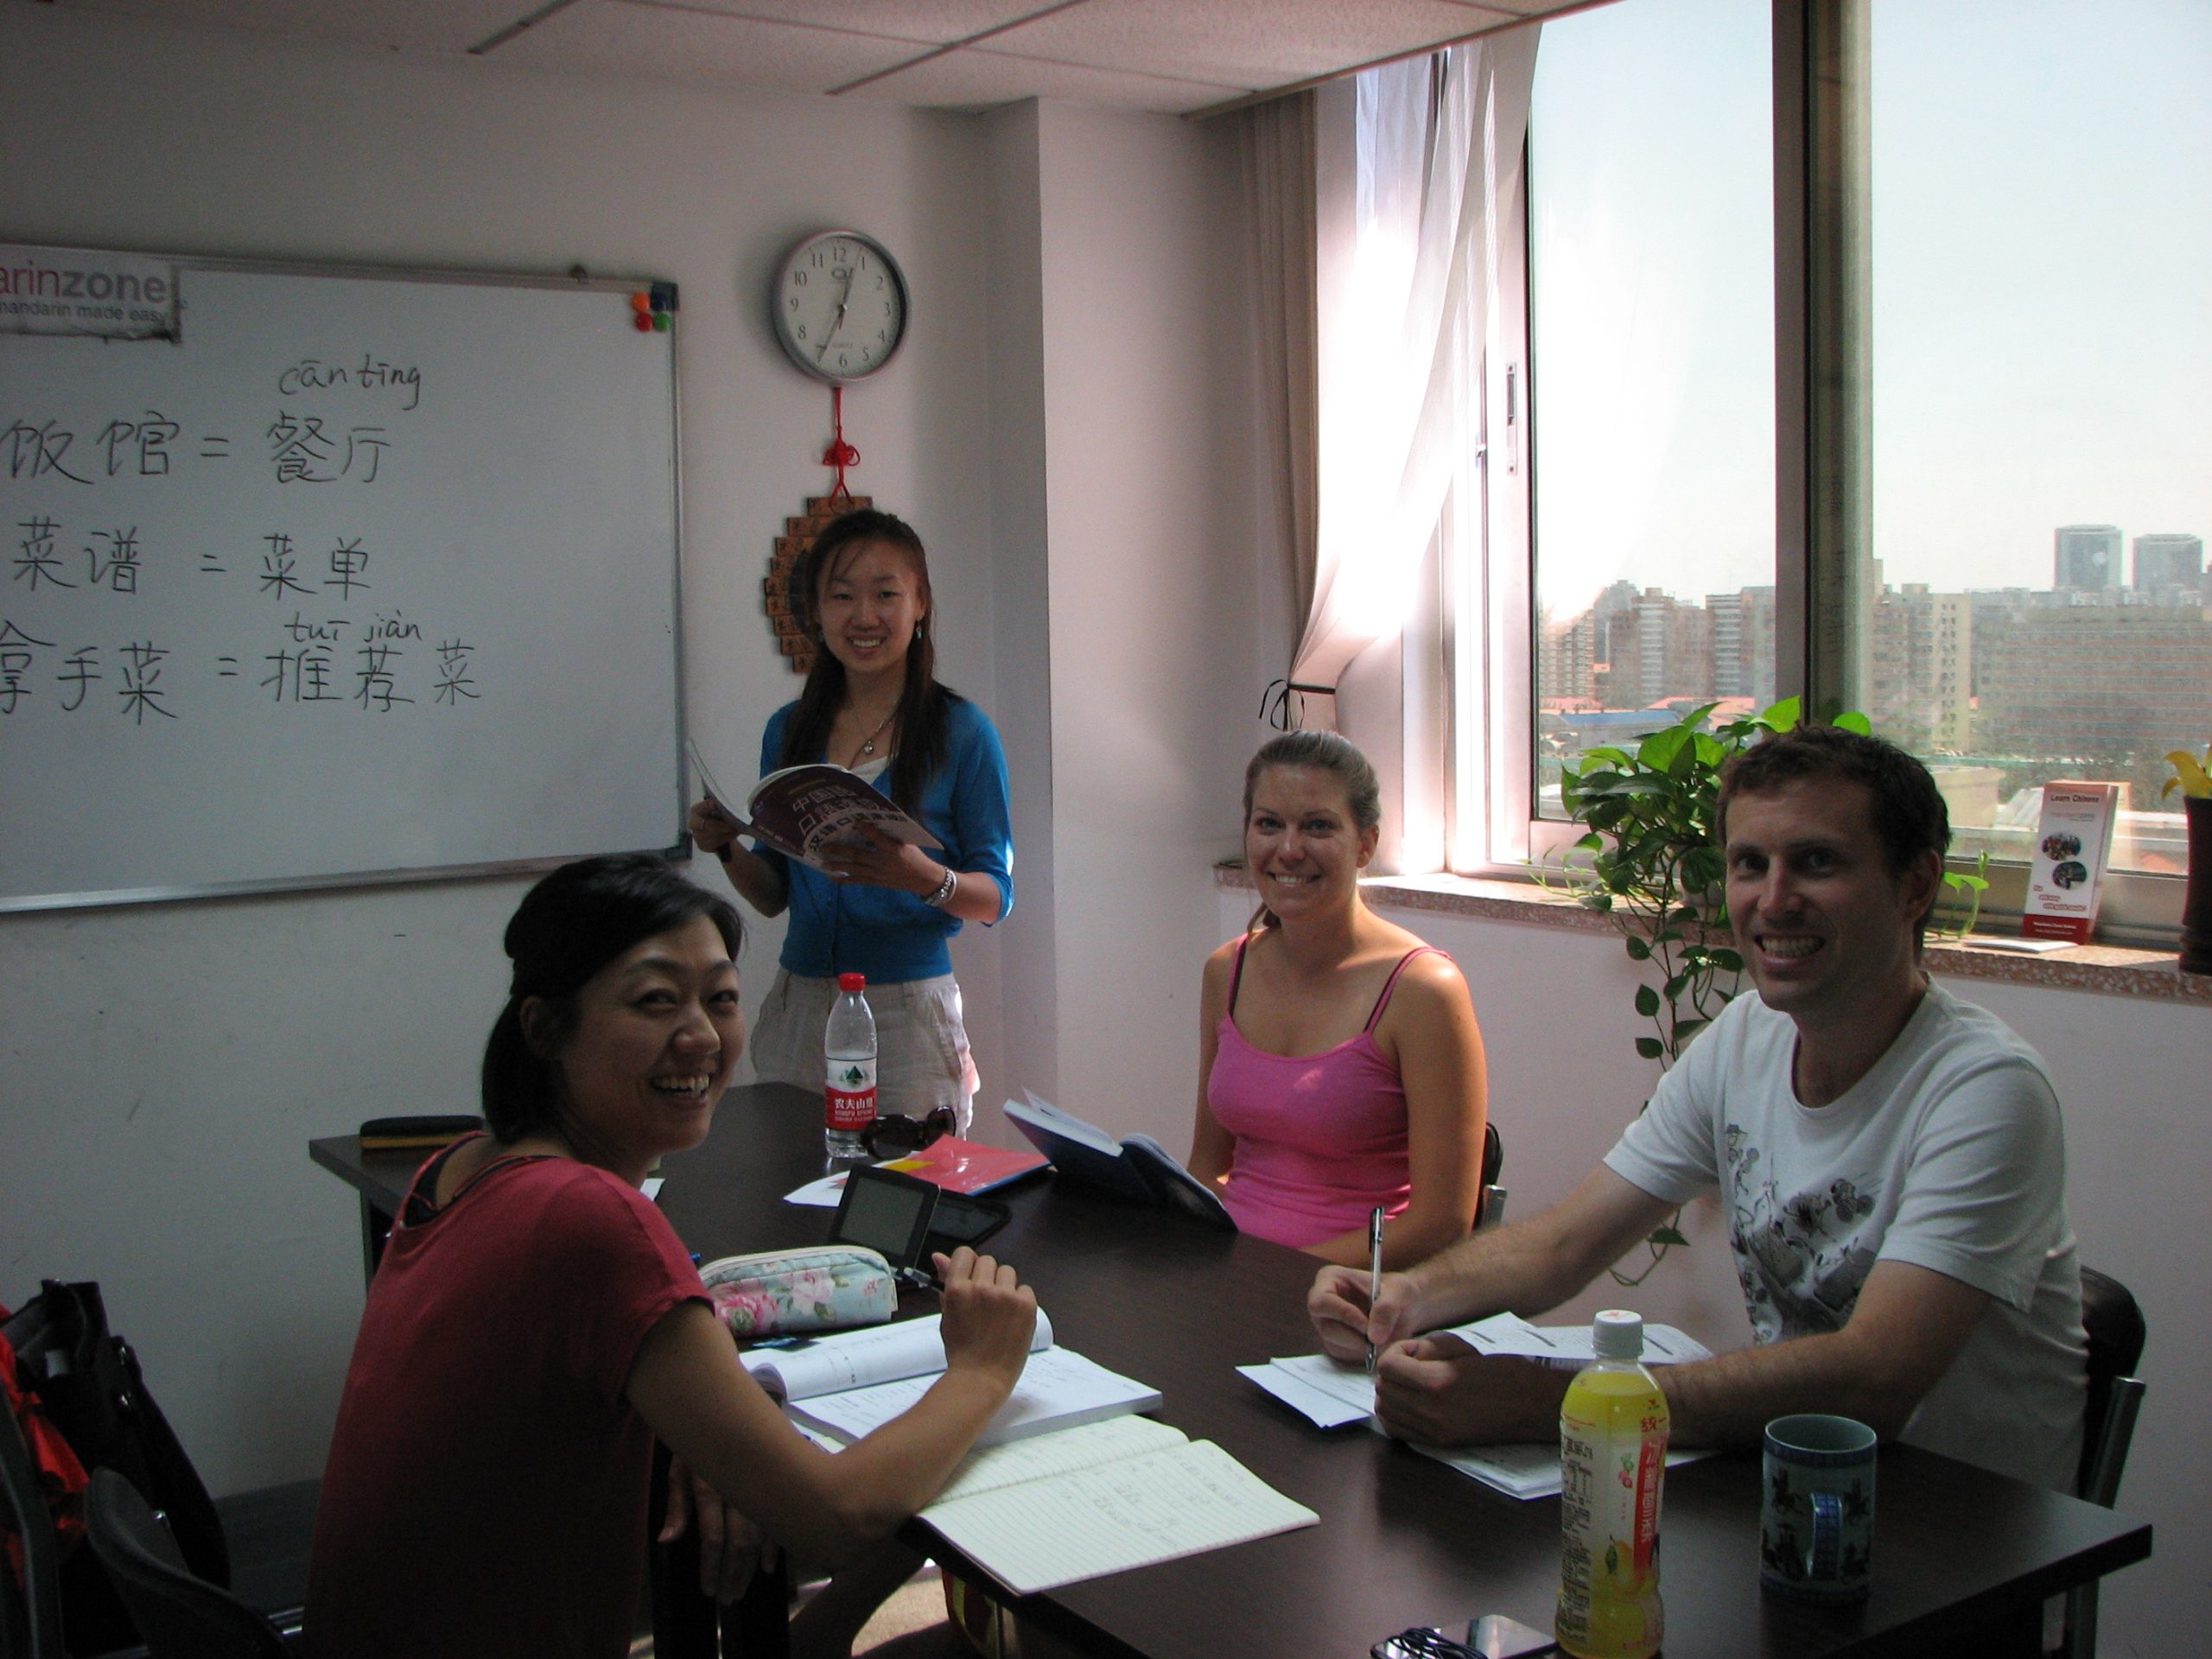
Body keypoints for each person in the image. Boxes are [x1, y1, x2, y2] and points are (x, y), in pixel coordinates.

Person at [1308, 725, 2088, 1491]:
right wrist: (1406, 1294)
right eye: (1751, 864)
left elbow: (1874, 1377)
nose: (1773, 900)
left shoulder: (1986, 1090)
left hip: (1959, 1541)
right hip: (1791, 1494)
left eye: (1816, 863)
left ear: (1916, 884)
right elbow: (1566, 1244)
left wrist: (1556, 1402)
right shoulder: (1745, 1037)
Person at [305, 855, 1038, 1659]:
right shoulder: (589, 1220)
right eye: (656, 1002)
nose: (700, 1036)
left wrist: (694, 1426)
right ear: (545, 1027)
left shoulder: (460, 1168)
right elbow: (833, 1522)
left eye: (720, 999)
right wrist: (980, 1370)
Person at [690, 509, 1012, 1129]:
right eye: (842, 596)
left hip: (909, 1013)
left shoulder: (963, 732)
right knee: (784, 1197)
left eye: (886, 594)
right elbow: (773, 893)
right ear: (817, 612)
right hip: (801, 1004)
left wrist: (922, 877)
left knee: (909, 1202)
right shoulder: (789, 729)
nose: (864, 616)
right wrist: (727, 846)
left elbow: (996, 896)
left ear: (920, 604)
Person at [1189, 731, 1490, 1268]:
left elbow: (1441, 1223)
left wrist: (1280, 1279)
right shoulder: (1226, 972)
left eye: (1318, 826)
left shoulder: (1423, 990)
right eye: (1269, 824)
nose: (1288, 849)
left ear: (1366, 843)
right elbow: (1208, 1169)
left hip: (1352, 1298)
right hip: (1230, 1283)